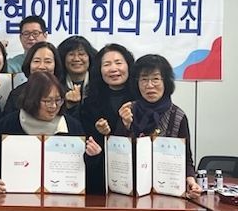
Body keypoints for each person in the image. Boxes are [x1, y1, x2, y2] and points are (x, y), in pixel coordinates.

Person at [0, 71, 101, 192]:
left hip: (62, 197)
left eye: (58, 100)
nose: (53, 106)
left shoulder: (71, 126)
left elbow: (86, 176)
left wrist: (92, 157)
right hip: (16, 196)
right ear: (32, 100)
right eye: (47, 101)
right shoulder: (8, 124)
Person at [115, 54, 202, 196]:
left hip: (166, 191)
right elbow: (117, 156)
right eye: (144, 79)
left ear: (166, 82)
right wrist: (126, 126)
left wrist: (191, 181)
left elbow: (186, 159)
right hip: (130, 190)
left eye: (155, 79)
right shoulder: (128, 111)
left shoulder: (178, 116)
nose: (149, 85)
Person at [79, 43, 135, 194]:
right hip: (100, 178)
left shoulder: (140, 100)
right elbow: (87, 144)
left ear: (128, 66)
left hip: (134, 176)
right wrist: (99, 134)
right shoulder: (90, 103)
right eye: (107, 64)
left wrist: (128, 126)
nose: (113, 69)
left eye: (118, 63)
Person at [3, 41, 63, 115]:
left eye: (48, 62)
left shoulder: (65, 93)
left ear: (56, 65)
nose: (41, 66)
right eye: (36, 61)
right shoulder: (16, 94)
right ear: (29, 64)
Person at [57, 36, 98, 115]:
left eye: (81, 54)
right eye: (71, 54)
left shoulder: (99, 83)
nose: (76, 59)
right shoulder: (56, 84)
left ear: (89, 57)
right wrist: (68, 106)